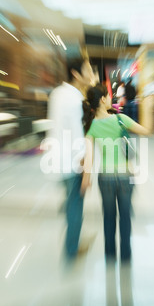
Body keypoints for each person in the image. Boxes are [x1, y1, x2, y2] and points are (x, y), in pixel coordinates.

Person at [81, 84, 151, 263]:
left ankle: (110, 256)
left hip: (105, 179)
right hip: (125, 177)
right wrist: (148, 107)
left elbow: (89, 158)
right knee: (125, 218)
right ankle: (126, 256)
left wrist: (85, 180)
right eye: (109, 96)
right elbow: (147, 131)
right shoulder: (120, 119)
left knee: (108, 219)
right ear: (103, 99)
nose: (111, 99)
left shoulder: (91, 127)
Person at [48, 57, 95, 260]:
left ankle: (74, 241)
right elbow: (77, 136)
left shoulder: (57, 93)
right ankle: (72, 250)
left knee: (70, 204)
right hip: (72, 162)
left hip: (57, 159)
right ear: (76, 73)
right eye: (88, 71)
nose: (92, 75)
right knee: (76, 206)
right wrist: (86, 169)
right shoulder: (74, 99)